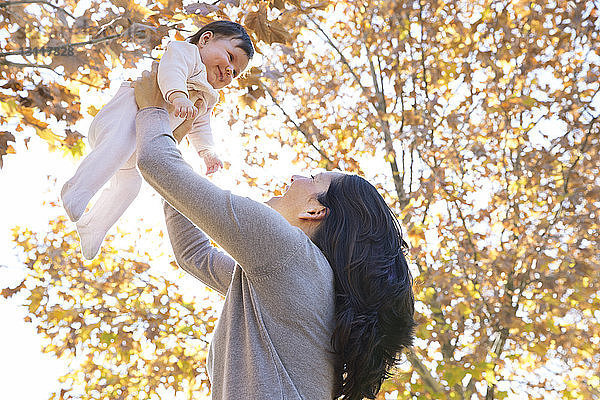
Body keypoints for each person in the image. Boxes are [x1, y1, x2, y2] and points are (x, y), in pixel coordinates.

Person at [132, 67, 416, 400]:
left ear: (314, 211)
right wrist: (176, 139)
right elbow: (195, 256)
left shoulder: (288, 253)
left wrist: (153, 110)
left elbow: (155, 162)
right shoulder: (295, 278)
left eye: (311, 177)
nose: (296, 177)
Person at [60, 20, 254, 259]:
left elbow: (201, 125)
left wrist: (206, 151)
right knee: (118, 147)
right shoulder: (186, 53)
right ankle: (76, 190)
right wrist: (179, 97)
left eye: (235, 73)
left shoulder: (208, 95)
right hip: (122, 119)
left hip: (139, 142)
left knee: (130, 185)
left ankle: (93, 226)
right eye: (230, 57)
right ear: (205, 40)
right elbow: (172, 71)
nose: (229, 72)